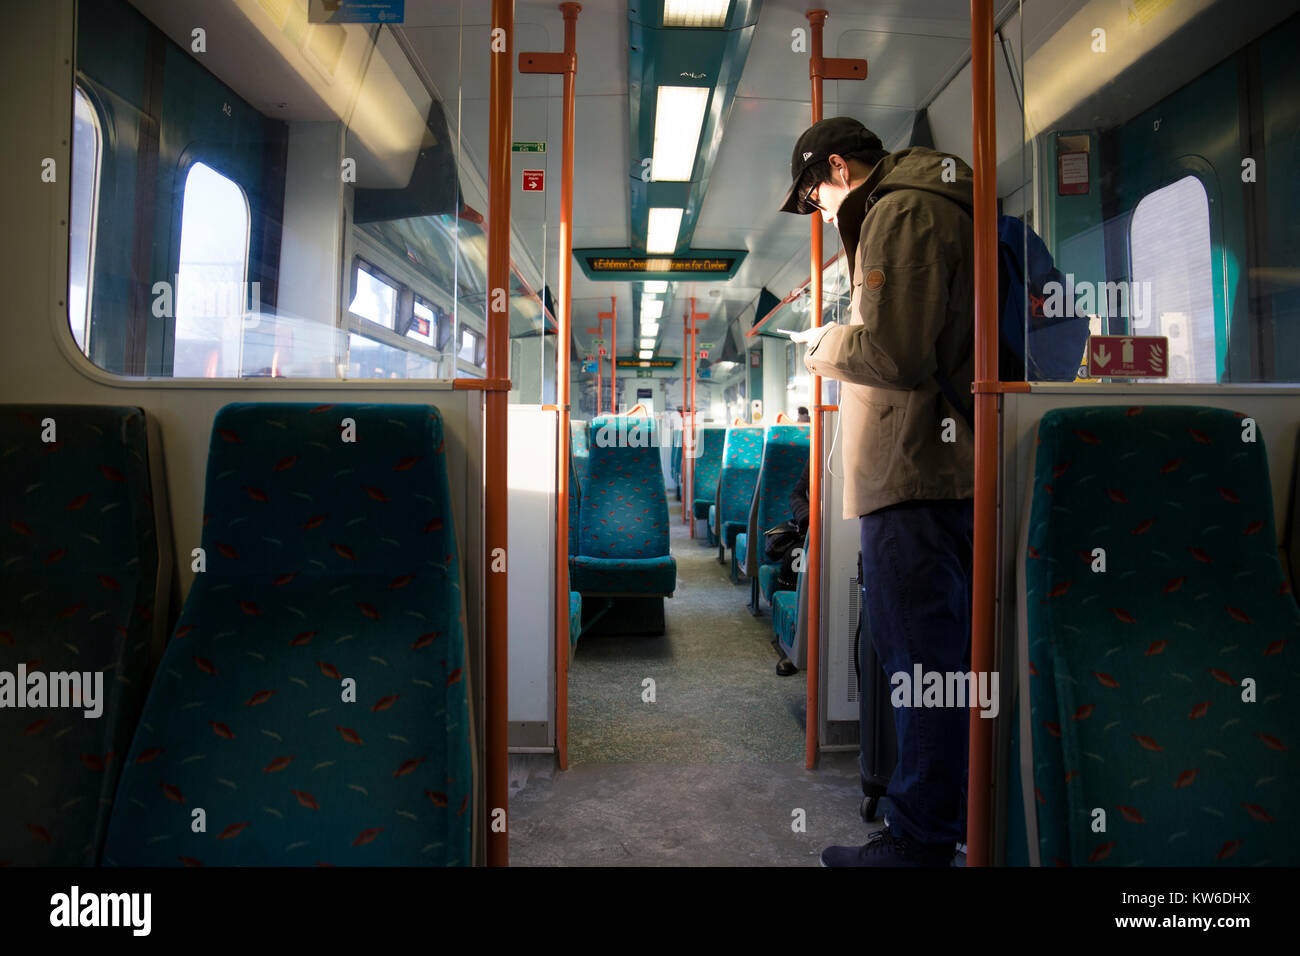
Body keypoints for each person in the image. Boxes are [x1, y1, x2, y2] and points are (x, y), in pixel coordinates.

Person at [780, 117, 975, 867]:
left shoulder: (899, 209)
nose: (818, 214)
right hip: (941, 467)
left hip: (917, 472)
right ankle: (935, 823)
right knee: (939, 662)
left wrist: (823, 342)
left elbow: (894, 352)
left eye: (812, 197)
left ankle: (920, 843)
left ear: (838, 167)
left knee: (920, 661)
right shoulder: (933, 200)